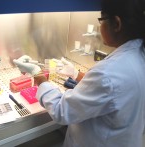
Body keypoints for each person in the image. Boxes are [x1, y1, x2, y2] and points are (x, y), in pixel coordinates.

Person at [13, 0, 145, 146]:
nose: (100, 26)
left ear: (117, 23)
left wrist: (37, 74)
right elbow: (111, 92)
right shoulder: (138, 56)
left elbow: (60, 110)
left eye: (102, 20)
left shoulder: (108, 72)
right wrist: (76, 74)